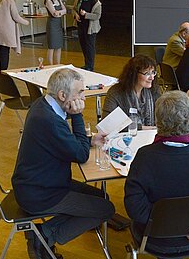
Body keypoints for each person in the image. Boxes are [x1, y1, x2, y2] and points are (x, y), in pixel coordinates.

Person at [11, 68, 115, 259]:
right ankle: (44, 234)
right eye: (80, 92)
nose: (84, 98)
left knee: (101, 196)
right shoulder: (50, 121)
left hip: (37, 183)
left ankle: (62, 226)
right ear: (62, 94)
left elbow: (66, 142)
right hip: (40, 193)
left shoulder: (43, 105)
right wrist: (77, 116)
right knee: (107, 209)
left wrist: (88, 140)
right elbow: (81, 155)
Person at [124, 90, 189, 257]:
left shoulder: (145, 156)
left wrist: (172, 225)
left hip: (155, 238)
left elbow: (134, 208)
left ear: (158, 120)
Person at [102, 55, 160, 130]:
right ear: (134, 74)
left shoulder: (153, 91)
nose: (152, 77)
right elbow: (108, 124)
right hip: (125, 138)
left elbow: (163, 115)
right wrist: (142, 128)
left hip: (150, 137)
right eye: (147, 73)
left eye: (153, 72)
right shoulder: (116, 92)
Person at [72, 0, 101, 71]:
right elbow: (74, 8)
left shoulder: (95, 1)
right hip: (81, 26)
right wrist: (76, 14)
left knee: (89, 46)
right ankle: (86, 64)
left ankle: (90, 66)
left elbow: (97, 16)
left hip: (90, 28)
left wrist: (86, 14)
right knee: (83, 45)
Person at [44, 0, 66, 65]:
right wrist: (60, 13)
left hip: (58, 24)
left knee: (58, 46)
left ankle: (58, 64)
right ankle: (51, 65)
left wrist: (59, 13)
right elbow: (53, 14)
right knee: (52, 46)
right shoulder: (48, 1)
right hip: (52, 25)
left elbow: (65, 10)